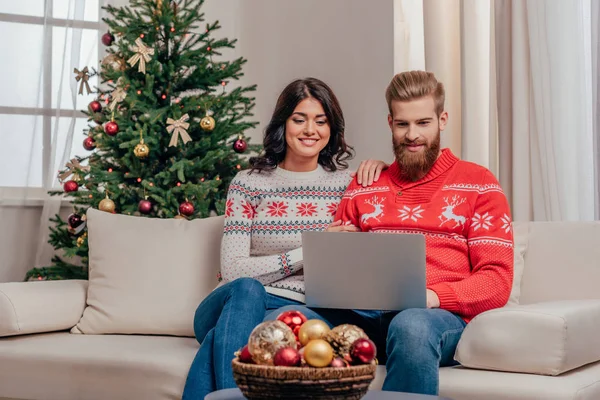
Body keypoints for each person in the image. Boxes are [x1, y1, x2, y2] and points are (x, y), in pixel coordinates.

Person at [265, 70, 514, 395]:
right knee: (286, 320)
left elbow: (497, 280)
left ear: (442, 120)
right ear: (390, 123)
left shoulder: (479, 184)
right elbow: (336, 262)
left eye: (423, 123)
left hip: (433, 317)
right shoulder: (365, 184)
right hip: (360, 314)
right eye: (402, 124)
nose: (412, 135)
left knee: (410, 325)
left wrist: (434, 296)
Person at [182, 77, 387, 399]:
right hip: (234, 302)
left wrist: (383, 168)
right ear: (283, 124)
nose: (310, 130)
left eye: (321, 121)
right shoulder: (248, 184)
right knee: (247, 290)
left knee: (248, 333)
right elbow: (235, 271)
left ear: (332, 128)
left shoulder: (346, 185)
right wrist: (313, 248)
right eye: (299, 119)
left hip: (297, 308)